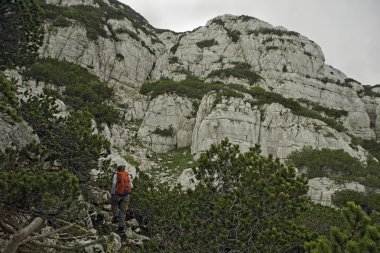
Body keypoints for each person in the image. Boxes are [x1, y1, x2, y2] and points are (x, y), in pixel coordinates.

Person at [111, 165, 132, 232]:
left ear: (118, 170)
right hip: (126, 195)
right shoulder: (127, 175)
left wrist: (113, 192)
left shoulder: (116, 175)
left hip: (118, 194)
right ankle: (121, 227)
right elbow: (131, 185)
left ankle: (116, 215)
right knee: (123, 211)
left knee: (114, 203)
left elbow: (114, 184)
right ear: (124, 169)